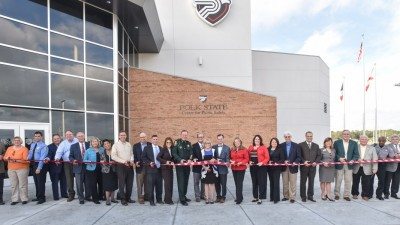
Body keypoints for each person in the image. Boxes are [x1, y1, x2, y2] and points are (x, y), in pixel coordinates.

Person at [334, 130, 359, 201]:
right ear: (342, 135)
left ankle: (346, 195)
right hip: (339, 165)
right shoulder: (337, 142)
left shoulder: (354, 143)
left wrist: (353, 160)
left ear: (350, 135)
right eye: (344, 134)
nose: (346, 135)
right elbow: (334, 153)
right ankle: (337, 194)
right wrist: (339, 158)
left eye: (348, 134)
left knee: (348, 181)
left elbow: (356, 154)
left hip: (349, 165)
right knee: (338, 180)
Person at [111, 131, 135, 206]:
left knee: (130, 183)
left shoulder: (128, 144)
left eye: (124, 135)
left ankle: (128, 198)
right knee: (122, 183)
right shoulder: (115, 145)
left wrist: (131, 160)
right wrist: (123, 161)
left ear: (126, 136)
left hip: (129, 166)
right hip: (121, 166)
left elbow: (131, 154)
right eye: (121, 135)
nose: (123, 136)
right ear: (119, 136)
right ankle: (123, 199)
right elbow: (113, 156)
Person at [351, 135, 378, 201]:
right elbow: (352, 156)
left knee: (366, 182)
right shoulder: (355, 147)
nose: (363, 140)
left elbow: (375, 158)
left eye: (365, 139)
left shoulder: (372, 148)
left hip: (367, 167)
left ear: (367, 140)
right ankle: (355, 194)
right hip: (356, 167)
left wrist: (375, 168)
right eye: (362, 139)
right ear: (359, 140)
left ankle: (365, 195)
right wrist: (357, 159)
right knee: (355, 182)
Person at [4, 137, 29, 205]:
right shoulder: (9, 148)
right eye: (15, 140)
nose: (17, 141)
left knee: (22, 185)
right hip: (11, 169)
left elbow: (26, 160)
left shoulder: (24, 149)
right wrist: (7, 158)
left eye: (18, 140)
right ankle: (14, 199)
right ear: (13, 141)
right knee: (13, 185)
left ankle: (24, 199)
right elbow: (5, 157)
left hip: (22, 169)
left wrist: (15, 160)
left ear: (21, 141)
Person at [55, 130, 78, 202]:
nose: (69, 136)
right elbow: (59, 152)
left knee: (80, 179)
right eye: (67, 135)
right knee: (69, 180)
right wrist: (57, 158)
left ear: (73, 135)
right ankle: (71, 194)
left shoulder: (77, 141)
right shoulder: (63, 143)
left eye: (70, 134)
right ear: (65, 136)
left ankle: (81, 194)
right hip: (67, 163)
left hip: (77, 163)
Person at [172, 130, 193, 206]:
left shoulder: (188, 143)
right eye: (183, 134)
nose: (184, 136)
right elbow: (174, 153)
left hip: (187, 166)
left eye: (186, 134)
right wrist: (180, 159)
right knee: (181, 182)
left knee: (186, 182)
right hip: (180, 166)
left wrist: (190, 159)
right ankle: (182, 199)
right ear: (180, 135)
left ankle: (184, 195)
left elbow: (191, 153)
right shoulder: (177, 142)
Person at [299, 131, 321, 202]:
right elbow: (299, 155)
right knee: (303, 182)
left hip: (312, 167)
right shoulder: (300, 145)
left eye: (310, 136)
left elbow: (319, 155)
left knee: (311, 182)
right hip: (304, 167)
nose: (309, 137)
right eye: (308, 136)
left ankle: (310, 196)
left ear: (312, 136)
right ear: (305, 136)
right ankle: (303, 196)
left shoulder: (316, 146)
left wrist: (316, 162)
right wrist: (303, 161)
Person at [280, 131, 301, 203]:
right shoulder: (281, 145)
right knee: (285, 183)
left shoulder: (296, 145)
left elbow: (299, 156)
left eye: (289, 136)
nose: (287, 138)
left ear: (291, 137)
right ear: (284, 138)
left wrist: (295, 162)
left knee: (292, 183)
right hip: (284, 167)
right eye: (286, 137)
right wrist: (284, 161)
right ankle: (286, 196)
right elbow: (280, 156)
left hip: (293, 167)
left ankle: (292, 197)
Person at [69, 132, 90, 204]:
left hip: (88, 167)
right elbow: (70, 156)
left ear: (84, 136)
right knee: (79, 184)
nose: (80, 137)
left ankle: (88, 196)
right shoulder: (73, 146)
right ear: (76, 137)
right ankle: (81, 198)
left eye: (82, 136)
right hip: (78, 167)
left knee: (88, 183)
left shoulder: (89, 144)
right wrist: (73, 160)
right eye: (79, 136)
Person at [248, 135, 269, 204]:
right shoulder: (250, 147)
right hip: (253, 167)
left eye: (258, 139)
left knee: (261, 182)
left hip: (261, 167)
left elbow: (267, 158)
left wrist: (262, 163)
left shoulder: (263, 147)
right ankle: (255, 197)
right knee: (254, 182)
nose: (257, 140)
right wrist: (249, 161)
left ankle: (261, 198)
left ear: (260, 140)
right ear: (254, 140)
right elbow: (247, 156)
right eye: (256, 139)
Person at [28, 131, 48, 204]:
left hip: (40, 165)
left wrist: (39, 168)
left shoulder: (44, 146)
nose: (37, 137)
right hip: (33, 164)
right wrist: (27, 159)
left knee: (41, 182)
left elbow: (42, 158)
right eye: (35, 136)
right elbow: (30, 154)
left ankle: (42, 198)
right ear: (34, 137)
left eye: (38, 136)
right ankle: (38, 196)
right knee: (36, 181)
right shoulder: (33, 145)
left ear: (41, 137)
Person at [142, 135, 163, 206]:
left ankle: (159, 199)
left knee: (159, 186)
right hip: (150, 170)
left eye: (156, 139)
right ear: (151, 140)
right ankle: (151, 201)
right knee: (150, 186)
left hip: (159, 170)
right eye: (154, 139)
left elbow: (162, 158)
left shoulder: (160, 148)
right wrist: (149, 163)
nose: (155, 140)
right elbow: (143, 158)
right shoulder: (147, 148)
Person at [45, 134, 67, 201]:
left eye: (58, 138)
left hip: (63, 166)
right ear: (52, 140)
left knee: (64, 181)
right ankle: (56, 196)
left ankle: (64, 194)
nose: (57, 140)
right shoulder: (49, 147)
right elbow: (49, 155)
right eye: (55, 139)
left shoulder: (63, 145)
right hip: (54, 167)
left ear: (60, 139)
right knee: (55, 182)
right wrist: (48, 158)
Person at [83, 137, 104, 204]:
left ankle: (101, 196)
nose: (95, 143)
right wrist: (89, 161)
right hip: (91, 170)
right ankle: (95, 199)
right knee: (93, 184)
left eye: (96, 141)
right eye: (93, 141)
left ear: (98, 142)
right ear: (91, 143)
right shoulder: (88, 150)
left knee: (101, 183)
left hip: (101, 169)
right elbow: (84, 160)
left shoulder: (102, 149)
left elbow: (105, 157)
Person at [132, 132, 151, 204]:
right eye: (141, 137)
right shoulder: (135, 146)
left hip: (148, 167)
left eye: (144, 137)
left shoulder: (150, 144)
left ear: (146, 137)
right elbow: (134, 156)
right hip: (139, 167)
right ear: (139, 138)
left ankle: (146, 196)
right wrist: (136, 162)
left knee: (147, 183)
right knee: (139, 184)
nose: (143, 138)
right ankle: (140, 198)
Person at [230, 137, 249, 205]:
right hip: (234, 168)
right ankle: (239, 196)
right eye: (235, 142)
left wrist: (240, 162)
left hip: (241, 168)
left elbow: (246, 159)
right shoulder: (232, 149)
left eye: (238, 142)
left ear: (240, 142)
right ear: (234, 143)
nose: (236, 143)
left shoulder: (244, 149)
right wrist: (231, 161)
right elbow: (230, 158)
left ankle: (239, 199)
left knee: (239, 183)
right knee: (236, 183)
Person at [100, 139, 119, 205]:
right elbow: (101, 162)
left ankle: (113, 198)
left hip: (114, 170)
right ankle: (107, 199)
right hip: (106, 171)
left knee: (113, 185)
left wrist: (114, 162)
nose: (106, 145)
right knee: (107, 185)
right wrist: (103, 163)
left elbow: (118, 160)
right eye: (105, 144)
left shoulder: (114, 151)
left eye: (107, 143)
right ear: (103, 146)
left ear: (110, 144)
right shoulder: (102, 153)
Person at [212, 134, 230, 203]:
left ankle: (223, 197)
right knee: (217, 183)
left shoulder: (227, 148)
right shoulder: (213, 147)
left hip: (223, 169)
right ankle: (218, 196)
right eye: (218, 139)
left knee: (223, 184)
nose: (220, 140)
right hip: (216, 169)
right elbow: (212, 157)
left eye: (221, 139)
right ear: (217, 139)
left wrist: (227, 163)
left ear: (223, 139)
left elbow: (228, 158)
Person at [157, 137, 175, 205]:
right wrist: (165, 161)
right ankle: (168, 200)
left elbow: (173, 158)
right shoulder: (163, 149)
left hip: (170, 169)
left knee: (171, 184)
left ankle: (169, 198)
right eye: (167, 142)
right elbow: (158, 157)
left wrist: (173, 162)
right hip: (165, 169)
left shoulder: (172, 149)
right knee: (167, 184)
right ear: (165, 143)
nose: (168, 143)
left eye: (170, 142)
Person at [267, 137, 284, 204]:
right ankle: (272, 197)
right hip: (270, 168)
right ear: (271, 142)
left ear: (277, 143)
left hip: (277, 168)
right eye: (272, 142)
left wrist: (278, 163)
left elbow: (282, 159)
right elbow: (266, 157)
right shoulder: (268, 149)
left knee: (276, 183)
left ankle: (276, 198)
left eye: (275, 142)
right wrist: (268, 161)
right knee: (271, 182)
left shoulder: (280, 149)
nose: (274, 143)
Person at [201, 140, 218, 204]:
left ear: (210, 144)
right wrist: (205, 167)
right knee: (206, 184)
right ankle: (207, 199)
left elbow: (216, 158)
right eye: (206, 143)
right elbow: (201, 161)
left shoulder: (213, 150)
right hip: (204, 169)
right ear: (204, 144)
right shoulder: (202, 151)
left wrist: (214, 159)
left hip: (212, 169)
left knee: (212, 184)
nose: (207, 144)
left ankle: (212, 198)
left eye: (208, 143)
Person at [384, 134, 400, 199]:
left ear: (398, 140)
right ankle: (386, 194)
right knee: (387, 181)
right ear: (391, 140)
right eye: (393, 139)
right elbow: (388, 155)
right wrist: (395, 155)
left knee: (396, 181)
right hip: (390, 167)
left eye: (396, 139)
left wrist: (397, 155)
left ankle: (394, 193)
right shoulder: (387, 146)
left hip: (398, 166)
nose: (395, 140)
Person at [192, 132, 205, 202]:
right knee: (196, 182)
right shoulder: (194, 146)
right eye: (199, 137)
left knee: (203, 182)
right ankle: (197, 196)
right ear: (197, 138)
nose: (201, 138)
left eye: (202, 137)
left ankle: (203, 195)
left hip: (204, 168)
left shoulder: (206, 145)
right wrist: (193, 158)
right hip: (196, 167)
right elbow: (192, 154)